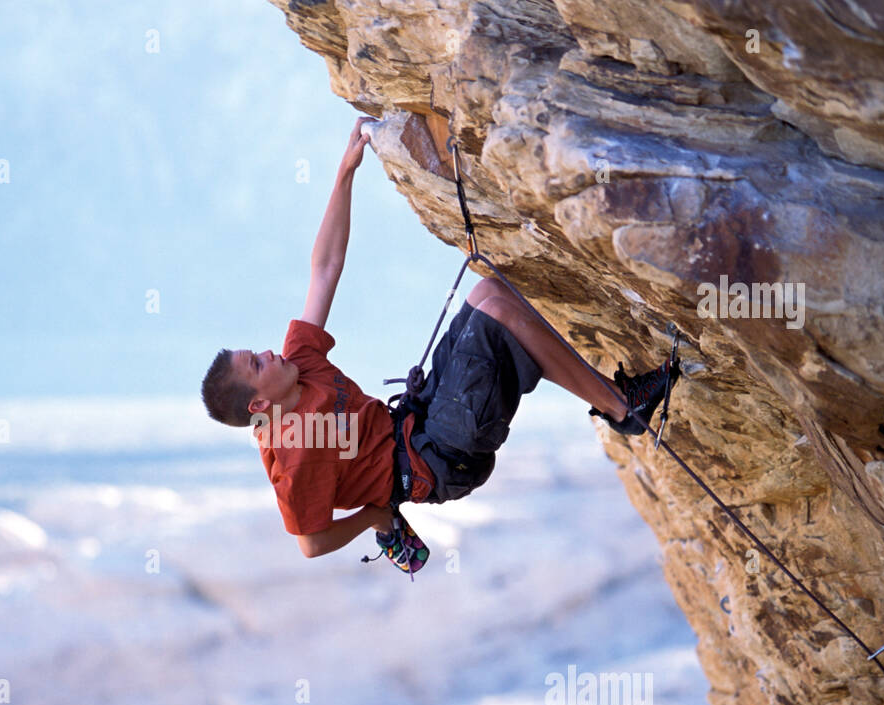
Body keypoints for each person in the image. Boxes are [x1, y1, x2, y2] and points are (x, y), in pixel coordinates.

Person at [200, 116, 676, 560]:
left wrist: (345, 174)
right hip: (438, 461)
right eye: (256, 365)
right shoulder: (294, 452)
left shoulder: (297, 361)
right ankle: (622, 407)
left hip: (416, 419)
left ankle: (618, 404)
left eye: (256, 353)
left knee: (490, 290)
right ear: (259, 406)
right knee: (495, 321)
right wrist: (372, 516)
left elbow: (324, 269)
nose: (267, 353)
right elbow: (309, 542)